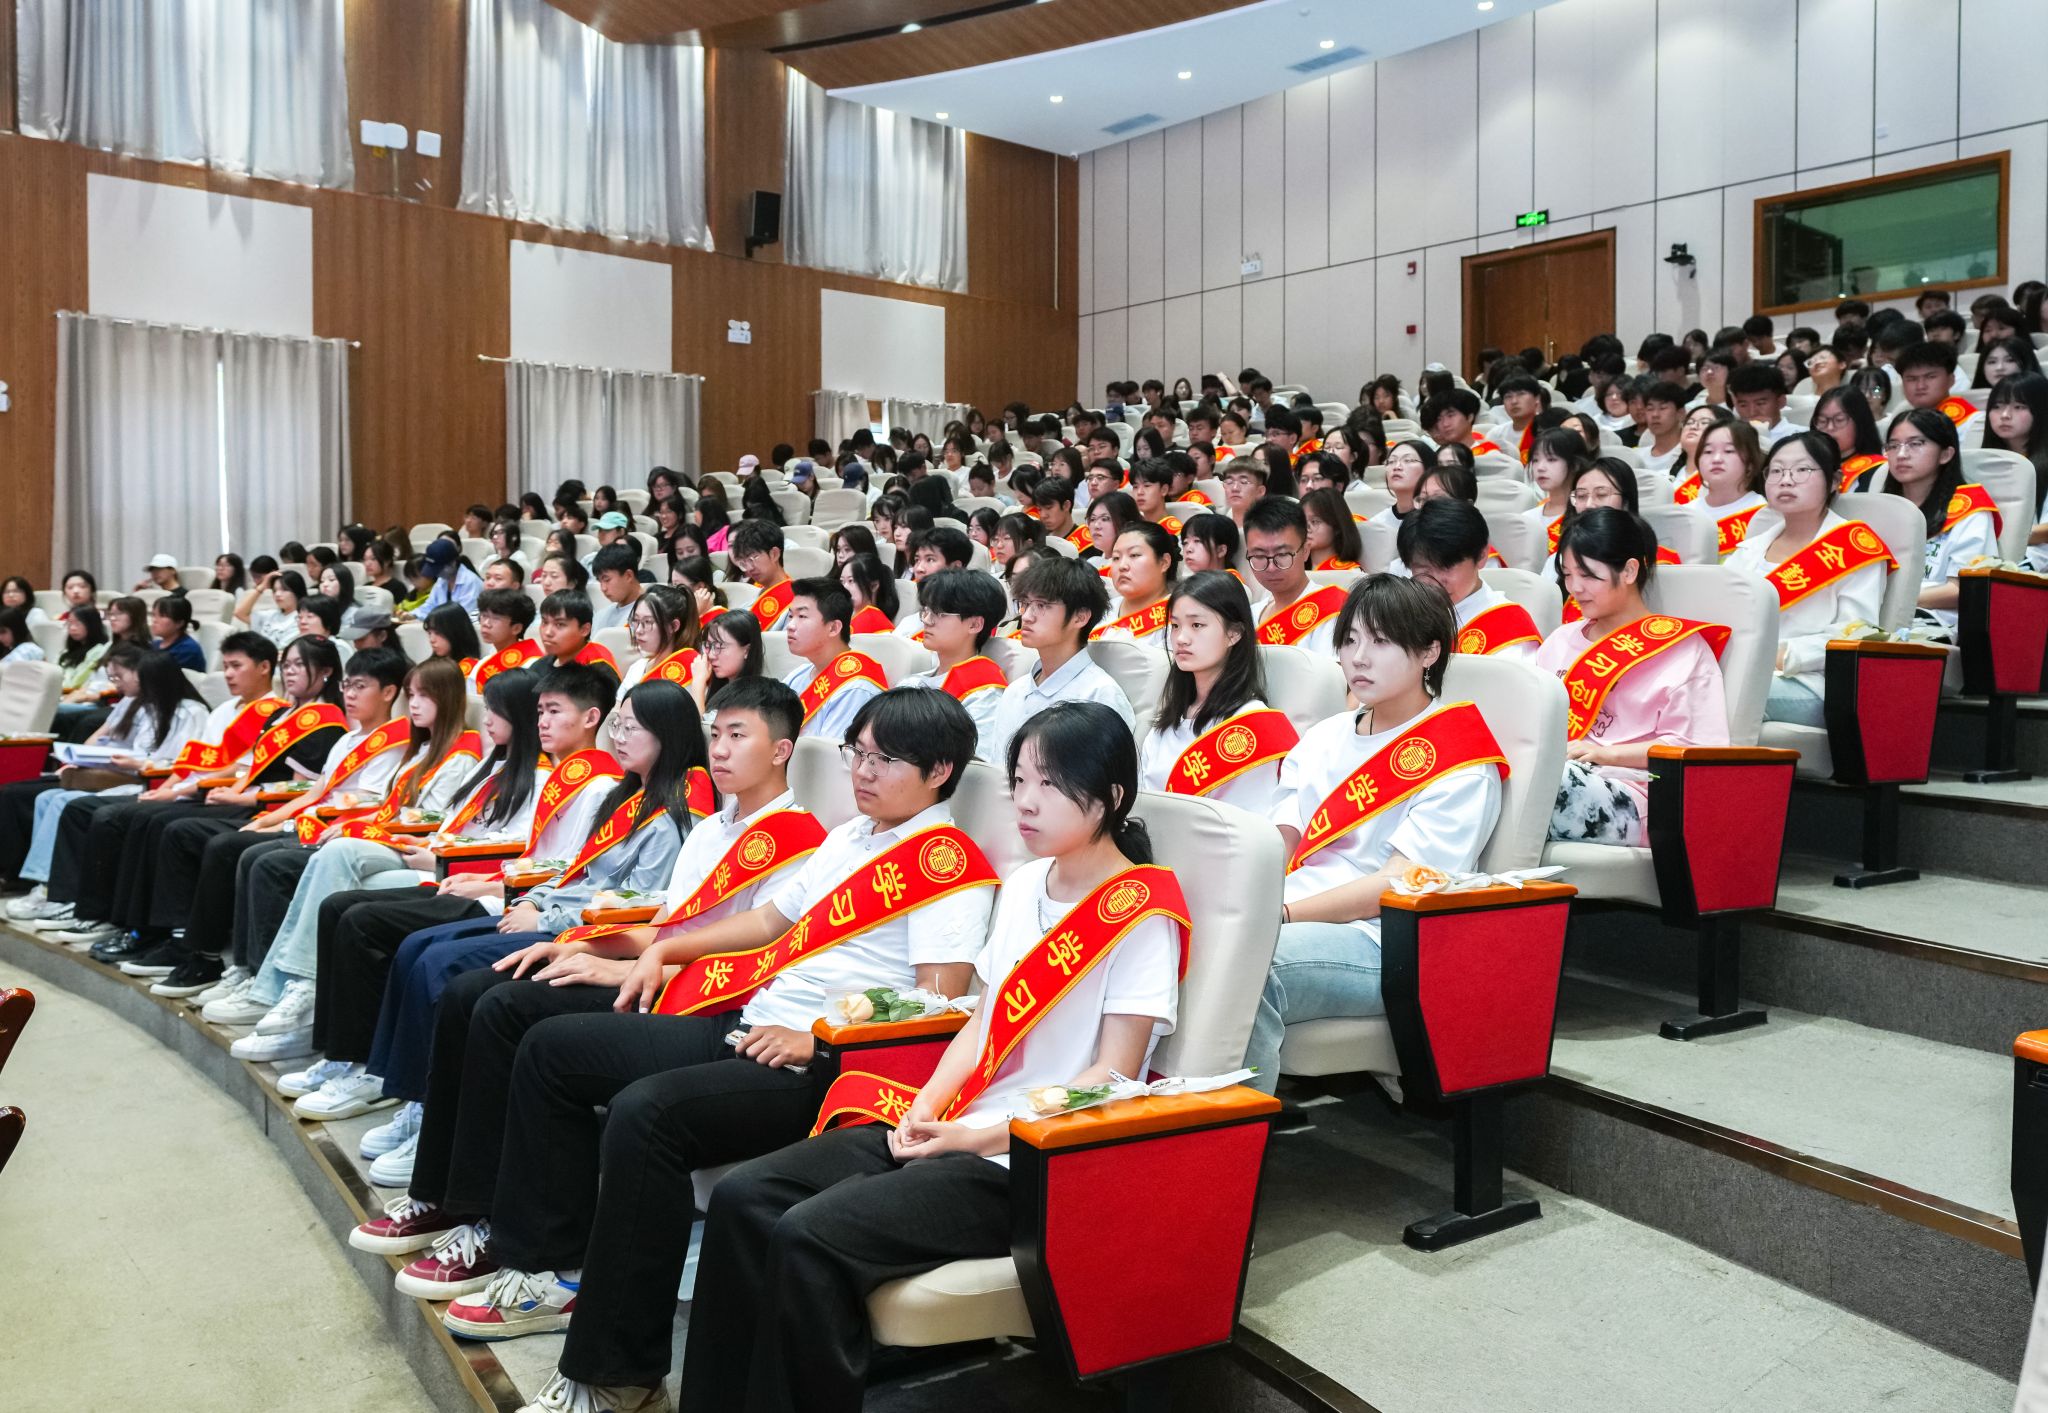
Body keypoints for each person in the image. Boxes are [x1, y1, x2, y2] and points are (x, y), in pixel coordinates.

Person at [439, 691, 994, 1397]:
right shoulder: (853, 836)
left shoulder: (944, 861)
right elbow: (767, 921)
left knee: (649, 1113)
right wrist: (665, 950)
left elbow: (935, 1004)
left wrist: (817, 1040)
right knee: (552, 1048)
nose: (863, 771)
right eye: (858, 752)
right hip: (750, 1022)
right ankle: (550, 1267)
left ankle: (618, 1372)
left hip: (820, 1064)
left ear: (939, 770)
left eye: (884, 759)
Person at [666, 699, 1176, 1413]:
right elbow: (980, 1024)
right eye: (1020, 780)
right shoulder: (1026, 884)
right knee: (745, 1197)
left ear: (1111, 796)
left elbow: (1112, 1076)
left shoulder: (1142, 911)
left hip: (1025, 1160)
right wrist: (927, 1105)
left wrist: (973, 1137)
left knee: (809, 1235)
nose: (1027, 802)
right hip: (954, 1121)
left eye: (1051, 785)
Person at [351, 678, 816, 1261]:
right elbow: (665, 927)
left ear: (780, 750)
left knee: (504, 1009)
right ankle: (444, 1195)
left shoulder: (801, 841)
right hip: (655, 973)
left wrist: (631, 971)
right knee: (473, 991)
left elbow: (758, 958)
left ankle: (492, 1218)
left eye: (738, 736)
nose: (719, 749)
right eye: (716, 734)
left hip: (701, 999)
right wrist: (585, 948)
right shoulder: (710, 829)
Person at [284, 679, 701, 1119]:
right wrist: (532, 901)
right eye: (618, 726)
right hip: (543, 910)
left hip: (580, 934)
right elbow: (572, 871)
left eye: (631, 728)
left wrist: (538, 913)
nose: (618, 738)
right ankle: (385, 1078)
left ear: (668, 733)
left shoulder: (668, 817)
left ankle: (422, 1102)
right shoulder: (624, 797)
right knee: (415, 947)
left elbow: (631, 906)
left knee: (438, 964)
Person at [1243, 575, 1507, 1091]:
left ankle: (1227, 1134)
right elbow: (1281, 841)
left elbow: (1397, 883)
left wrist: (1281, 915)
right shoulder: (1324, 736)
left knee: (1246, 962)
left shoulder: (1458, 759)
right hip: (1293, 910)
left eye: (1381, 641)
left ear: (1429, 651)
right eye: (1350, 640)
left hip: (1384, 941)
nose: (1359, 658)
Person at [91, 647, 405, 968]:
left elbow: (351, 801)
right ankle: (157, 935)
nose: (350, 693)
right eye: (347, 685)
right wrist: (264, 821)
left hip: (321, 825)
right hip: (288, 813)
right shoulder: (342, 738)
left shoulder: (371, 736)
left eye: (359, 686)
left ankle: (207, 956)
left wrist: (259, 811)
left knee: (226, 847)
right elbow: (311, 793)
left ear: (389, 692)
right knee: (173, 827)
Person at [1536, 510, 1731, 847]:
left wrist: (1606, 754)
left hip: (1637, 797)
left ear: (1629, 570)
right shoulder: (1561, 640)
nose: (1575, 588)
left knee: (1542, 779)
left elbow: (1698, 748)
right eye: (1567, 575)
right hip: (1563, 772)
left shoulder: (1682, 651)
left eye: (1588, 575)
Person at [1725, 434, 1891, 727]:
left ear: (1834, 480)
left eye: (1802, 470)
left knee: (1715, 693)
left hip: (1809, 682)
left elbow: (1856, 633)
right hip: (1741, 670)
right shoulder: (1749, 549)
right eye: (1776, 471)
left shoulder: (1852, 547)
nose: (1786, 481)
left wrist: (1782, 655)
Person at [1140, 570, 1295, 816]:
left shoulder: (1250, 724)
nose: (1181, 638)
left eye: (1197, 625)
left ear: (1234, 633)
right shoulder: (1167, 720)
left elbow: (1247, 824)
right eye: (1175, 625)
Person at [985, 555, 1136, 766]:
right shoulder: (1015, 691)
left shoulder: (1101, 695)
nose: (1026, 616)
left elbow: (1116, 778)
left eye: (1042, 605)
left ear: (1080, 617)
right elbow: (998, 770)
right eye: (1025, 604)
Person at [1881, 407, 1999, 637]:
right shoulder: (1882, 508)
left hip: (1933, 621)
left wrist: (1894, 601)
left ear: (1945, 454)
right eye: (1893, 446)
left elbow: (1962, 589)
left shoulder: (1969, 510)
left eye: (1915, 444)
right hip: (1876, 612)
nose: (1901, 454)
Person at [1400, 500, 1541, 664]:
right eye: (1424, 569)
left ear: (1481, 556)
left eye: (1446, 567)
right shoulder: (1404, 614)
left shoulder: (1509, 627)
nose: (1436, 581)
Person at [900, 569, 1008, 758]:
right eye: (926, 610)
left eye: (939, 613)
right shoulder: (910, 683)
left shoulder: (984, 693)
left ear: (975, 625)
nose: (927, 620)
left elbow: (977, 764)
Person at [778, 578, 886, 741]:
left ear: (834, 628)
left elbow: (830, 754)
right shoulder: (798, 675)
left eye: (802, 616)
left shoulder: (855, 689)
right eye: (791, 616)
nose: (790, 625)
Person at [1245, 497, 1346, 652]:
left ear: (1305, 551)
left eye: (1282, 554)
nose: (1271, 567)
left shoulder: (1333, 610)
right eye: (1259, 556)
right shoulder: (1250, 614)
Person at [1982, 372, 2048, 574]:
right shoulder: (1978, 464)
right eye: (1997, 406)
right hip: (1984, 553)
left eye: (2019, 407)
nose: (2005, 415)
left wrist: (1991, 538)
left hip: (2036, 557)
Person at [1688, 416, 1769, 557]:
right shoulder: (1686, 513)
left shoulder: (1762, 513)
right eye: (1708, 451)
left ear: (1750, 463)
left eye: (1729, 451)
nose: (1716, 459)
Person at [1093, 521, 1179, 644]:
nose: (1122, 566)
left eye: (1134, 555)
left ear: (1164, 562)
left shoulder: (1180, 616)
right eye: (1116, 558)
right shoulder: (1103, 610)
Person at [1894, 341, 1983, 442]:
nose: (1920, 386)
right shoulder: (1900, 415)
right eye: (1912, 379)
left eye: (1931, 377)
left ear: (1951, 380)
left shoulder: (1974, 422)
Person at [1526, 428, 1589, 557]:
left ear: (1576, 464)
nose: (1540, 468)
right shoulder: (1527, 518)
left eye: (1551, 459)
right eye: (1535, 460)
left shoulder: (1587, 515)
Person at [1812, 386, 1887, 491]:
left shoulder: (1878, 470)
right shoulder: (1808, 464)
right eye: (1822, 421)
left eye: (1839, 420)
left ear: (1859, 422)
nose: (1829, 427)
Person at [728, 520, 795, 630]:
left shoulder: (797, 601)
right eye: (744, 562)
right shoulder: (751, 599)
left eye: (753, 558)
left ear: (774, 554)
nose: (749, 568)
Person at [535, 590, 619, 678]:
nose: (548, 632)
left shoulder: (597, 669)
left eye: (559, 624)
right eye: (545, 622)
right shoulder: (543, 663)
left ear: (584, 630)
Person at [697, 609, 764, 711]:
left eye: (718, 646)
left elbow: (702, 722)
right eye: (708, 645)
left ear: (747, 651)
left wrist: (698, 684)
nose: (711, 655)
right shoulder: (721, 687)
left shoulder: (754, 699)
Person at [1728, 364, 1807, 442]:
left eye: (1760, 403)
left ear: (1781, 402)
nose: (1752, 412)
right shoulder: (1729, 438)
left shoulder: (1802, 437)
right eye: (1743, 405)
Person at [838, 553, 899, 634]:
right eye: (842, 581)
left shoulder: (876, 623)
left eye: (851, 581)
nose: (844, 587)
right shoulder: (844, 615)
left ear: (873, 586)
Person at [589, 543, 645, 632]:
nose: (603, 588)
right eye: (599, 581)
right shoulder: (601, 616)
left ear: (628, 576)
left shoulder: (652, 613)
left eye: (607, 579)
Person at [149, 595, 206, 671]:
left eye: (162, 616)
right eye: (154, 615)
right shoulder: (155, 644)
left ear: (179, 623)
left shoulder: (187, 650)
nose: (154, 620)